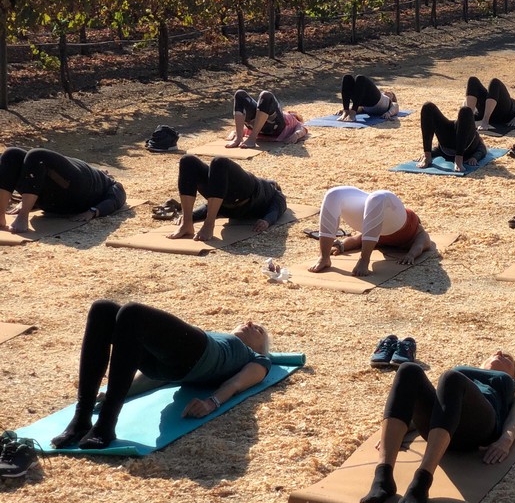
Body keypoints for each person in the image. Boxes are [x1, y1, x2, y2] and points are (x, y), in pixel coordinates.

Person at [50, 300, 272, 450]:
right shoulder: (219, 336)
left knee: (132, 312)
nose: (251, 323)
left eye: (258, 330)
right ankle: (81, 418)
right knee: (102, 309)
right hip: (167, 365)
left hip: (201, 355)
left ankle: (106, 424)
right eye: (249, 323)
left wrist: (212, 402)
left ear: (261, 346)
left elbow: (237, 383)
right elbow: (157, 377)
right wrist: (116, 393)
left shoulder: (257, 357)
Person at [360, 351, 515, 503]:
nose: (499, 353)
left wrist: (505, 440)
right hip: (443, 424)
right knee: (408, 369)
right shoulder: (464, 372)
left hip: (480, 426)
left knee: (451, 377)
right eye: (495, 353)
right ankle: (383, 478)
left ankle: (422, 481)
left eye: (507, 358)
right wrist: (397, 434)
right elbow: (440, 407)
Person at [308, 186, 434, 276]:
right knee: (333, 194)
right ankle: (324, 257)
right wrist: (341, 246)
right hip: (390, 213)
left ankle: (364, 260)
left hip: (385, 215)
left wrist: (411, 255)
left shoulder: (412, 235)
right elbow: (356, 239)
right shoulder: (414, 227)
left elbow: (422, 244)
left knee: (376, 199)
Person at [0, 147, 126, 233]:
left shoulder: (111, 183)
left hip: (75, 193)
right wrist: (27, 201)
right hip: (50, 194)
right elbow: (35, 174)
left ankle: (22, 218)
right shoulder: (96, 171)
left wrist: (93, 211)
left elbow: (116, 198)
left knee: (37, 155)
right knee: (11, 154)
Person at [168, 155, 287, 242]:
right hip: (238, 188)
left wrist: (267, 220)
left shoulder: (276, 194)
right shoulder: (264, 184)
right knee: (188, 161)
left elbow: (279, 207)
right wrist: (191, 216)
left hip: (246, 196)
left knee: (219, 162)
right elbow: (210, 205)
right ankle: (186, 223)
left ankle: (209, 224)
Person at [417, 102, 488, 173]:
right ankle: (427, 156)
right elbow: (438, 149)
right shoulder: (475, 136)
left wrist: (475, 157)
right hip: (447, 142)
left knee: (466, 110)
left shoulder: (475, 139)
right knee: (428, 106)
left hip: (463, 148)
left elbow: (482, 149)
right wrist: (430, 153)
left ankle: (458, 160)